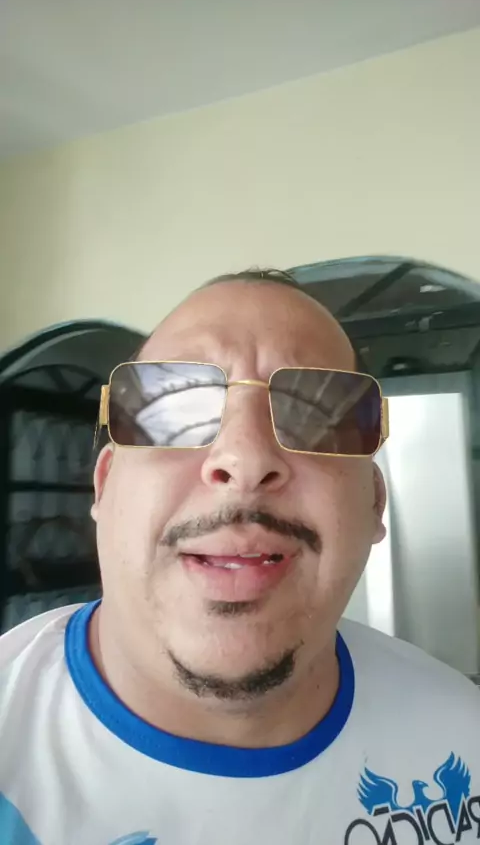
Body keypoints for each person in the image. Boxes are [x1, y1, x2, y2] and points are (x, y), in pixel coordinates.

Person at [0, 269, 479, 845]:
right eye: (174, 406)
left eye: (316, 415)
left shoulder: (465, 733)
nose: (246, 460)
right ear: (103, 486)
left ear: (374, 502)